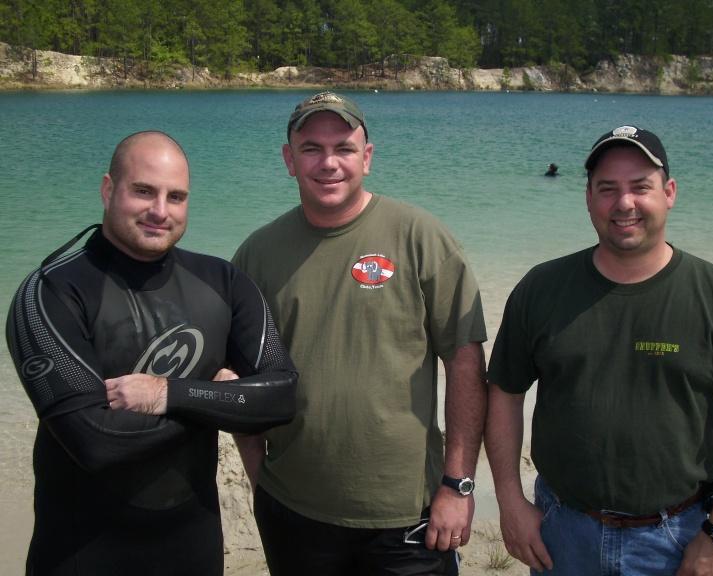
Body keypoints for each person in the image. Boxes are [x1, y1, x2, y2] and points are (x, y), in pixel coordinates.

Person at [6, 131, 298, 576]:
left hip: (192, 547)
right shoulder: (50, 292)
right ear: (108, 189)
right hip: (81, 554)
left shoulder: (222, 282)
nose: (160, 211)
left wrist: (169, 394)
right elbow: (95, 441)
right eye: (143, 191)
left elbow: (280, 398)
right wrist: (222, 400)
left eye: (176, 197)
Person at [485, 125, 713, 575]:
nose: (624, 204)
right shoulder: (542, 288)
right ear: (588, 197)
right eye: (607, 189)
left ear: (669, 192)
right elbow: (504, 393)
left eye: (641, 187)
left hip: (679, 537)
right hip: (561, 531)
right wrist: (510, 502)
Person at [232, 91, 488, 575]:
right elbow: (239, 378)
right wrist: (258, 480)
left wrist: (458, 485)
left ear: (366, 158)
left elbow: (466, 361)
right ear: (289, 159)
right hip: (293, 510)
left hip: (408, 516)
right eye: (311, 148)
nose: (329, 163)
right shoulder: (257, 254)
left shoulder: (421, 237)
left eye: (344, 148)